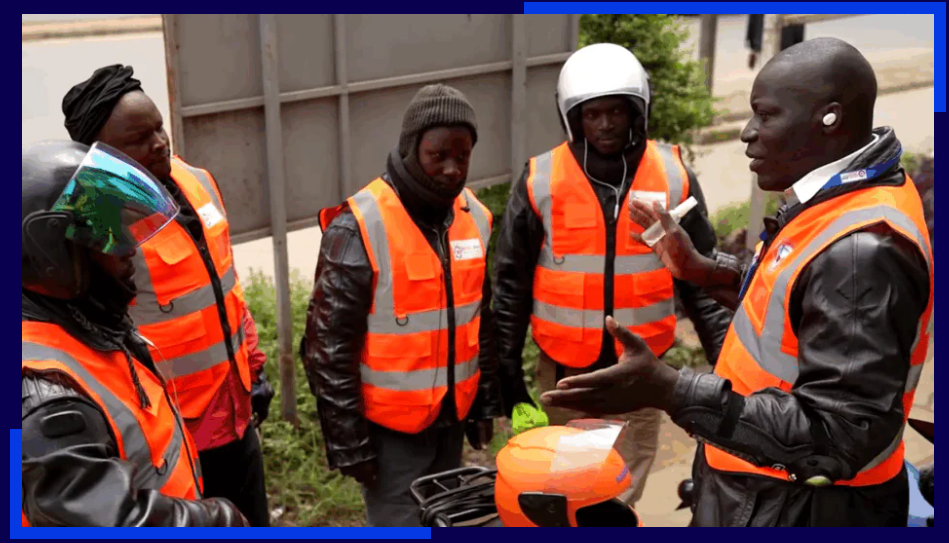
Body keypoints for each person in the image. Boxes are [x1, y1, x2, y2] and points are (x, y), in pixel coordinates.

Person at [541, 38, 933, 527]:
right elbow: (798, 302)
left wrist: (673, 391)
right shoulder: (843, 198)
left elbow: (839, 433)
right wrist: (706, 270)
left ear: (829, 118)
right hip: (765, 489)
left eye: (766, 116)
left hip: (798, 507)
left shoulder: (861, 251)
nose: (747, 133)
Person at [62, 65, 274, 527]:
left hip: (236, 410)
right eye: (139, 138)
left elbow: (226, 284)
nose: (160, 142)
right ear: (100, 155)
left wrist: (253, 367)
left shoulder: (196, 181)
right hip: (173, 432)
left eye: (159, 127)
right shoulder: (94, 214)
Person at [302, 84, 502, 527]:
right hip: (390, 438)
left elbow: (478, 322)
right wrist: (349, 444)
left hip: (451, 422)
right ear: (411, 149)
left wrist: (484, 404)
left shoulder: (476, 218)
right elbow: (327, 350)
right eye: (438, 155)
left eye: (462, 156)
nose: (452, 170)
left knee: (450, 521)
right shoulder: (359, 226)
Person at [22, 140, 248, 527]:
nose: (129, 250)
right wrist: (220, 520)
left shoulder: (82, 322)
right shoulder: (46, 399)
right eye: (108, 238)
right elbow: (111, 520)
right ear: (53, 259)